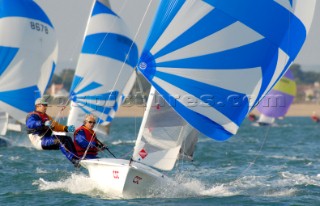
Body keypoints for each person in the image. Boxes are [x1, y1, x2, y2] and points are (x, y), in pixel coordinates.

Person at [26, 97, 80, 167]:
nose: (46, 107)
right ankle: (73, 160)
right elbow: (30, 124)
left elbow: (56, 126)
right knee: (60, 141)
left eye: (46, 105)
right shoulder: (32, 115)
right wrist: (42, 123)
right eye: (44, 105)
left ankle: (77, 157)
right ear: (38, 106)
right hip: (39, 141)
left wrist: (67, 128)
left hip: (46, 139)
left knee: (68, 138)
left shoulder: (47, 117)